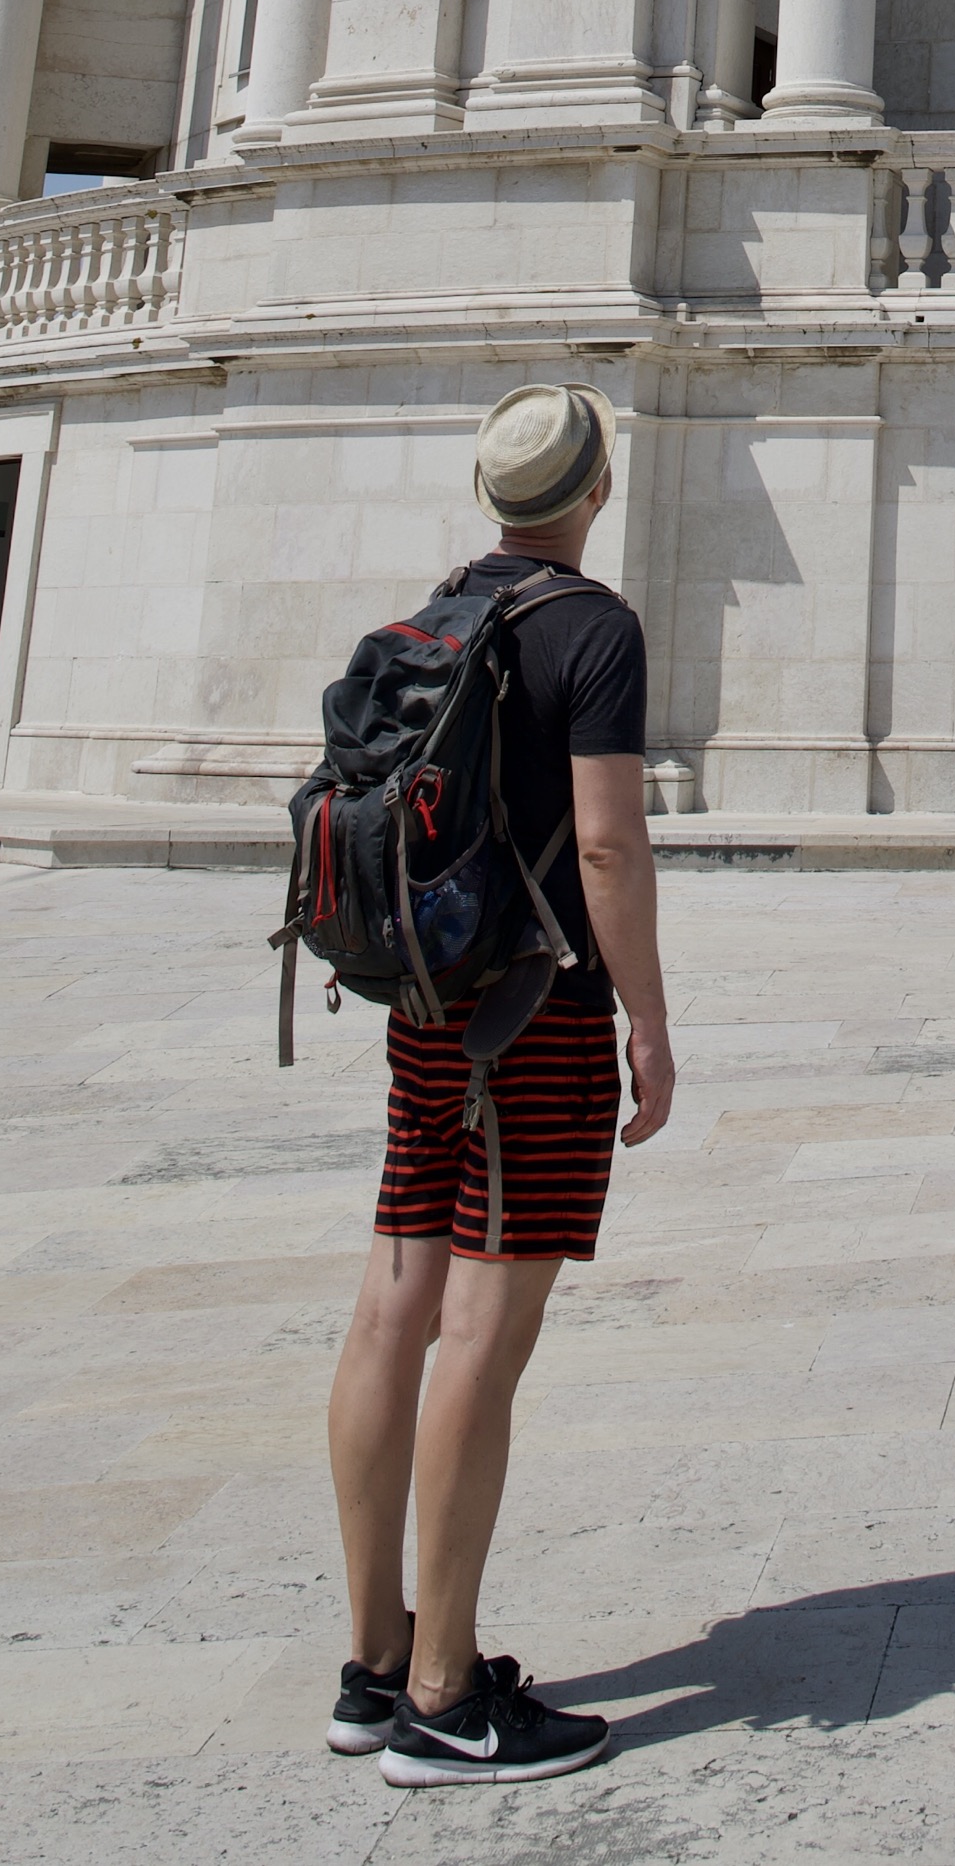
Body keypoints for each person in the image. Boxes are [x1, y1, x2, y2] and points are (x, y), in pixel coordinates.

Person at [323, 383, 675, 1786]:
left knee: (391, 1305)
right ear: (597, 489)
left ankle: (373, 1662)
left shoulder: (436, 611)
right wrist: (648, 1015)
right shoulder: (594, 628)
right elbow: (607, 844)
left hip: (425, 1003)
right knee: (482, 1330)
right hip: (540, 1010)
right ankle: (448, 1695)